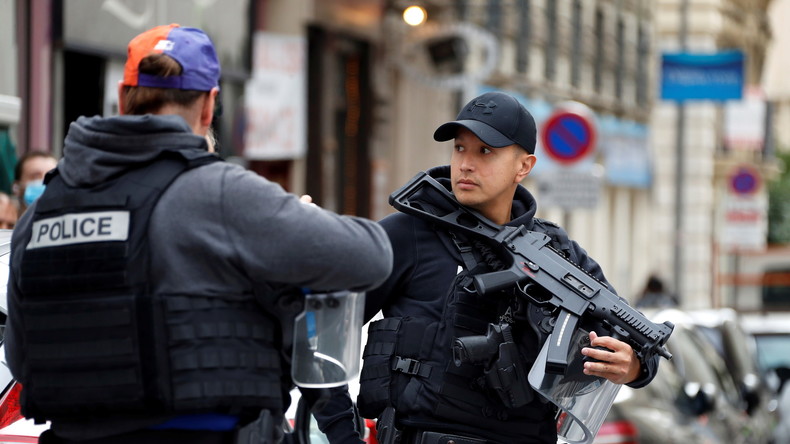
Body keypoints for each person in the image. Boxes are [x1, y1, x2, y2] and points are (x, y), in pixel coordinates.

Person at [4, 23, 392, 444]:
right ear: (208, 107)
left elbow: (21, 358)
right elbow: (372, 256)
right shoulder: (219, 193)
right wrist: (298, 220)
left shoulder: (43, 210)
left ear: (121, 97)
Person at [352, 91, 660, 444]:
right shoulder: (408, 233)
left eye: (485, 151)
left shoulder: (558, 252)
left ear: (524, 166)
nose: (466, 164)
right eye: (459, 148)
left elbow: (628, 337)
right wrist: (342, 431)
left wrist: (634, 367)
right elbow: (330, 327)